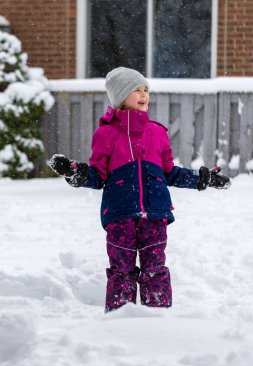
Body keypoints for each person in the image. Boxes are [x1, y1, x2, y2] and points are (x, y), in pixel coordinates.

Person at [49, 67, 231, 312]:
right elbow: (98, 176)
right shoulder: (106, 134)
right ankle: (119, 318)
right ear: (120, 96)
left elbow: (169, 173)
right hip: (120, 214)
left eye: (146, 89)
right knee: (121, 269)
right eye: (136, 89)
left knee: (155, 268)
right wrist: (76, 172)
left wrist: (203, 178)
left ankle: (156, 318)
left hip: (155, 214)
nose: (144, 94)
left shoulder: (157, 132)